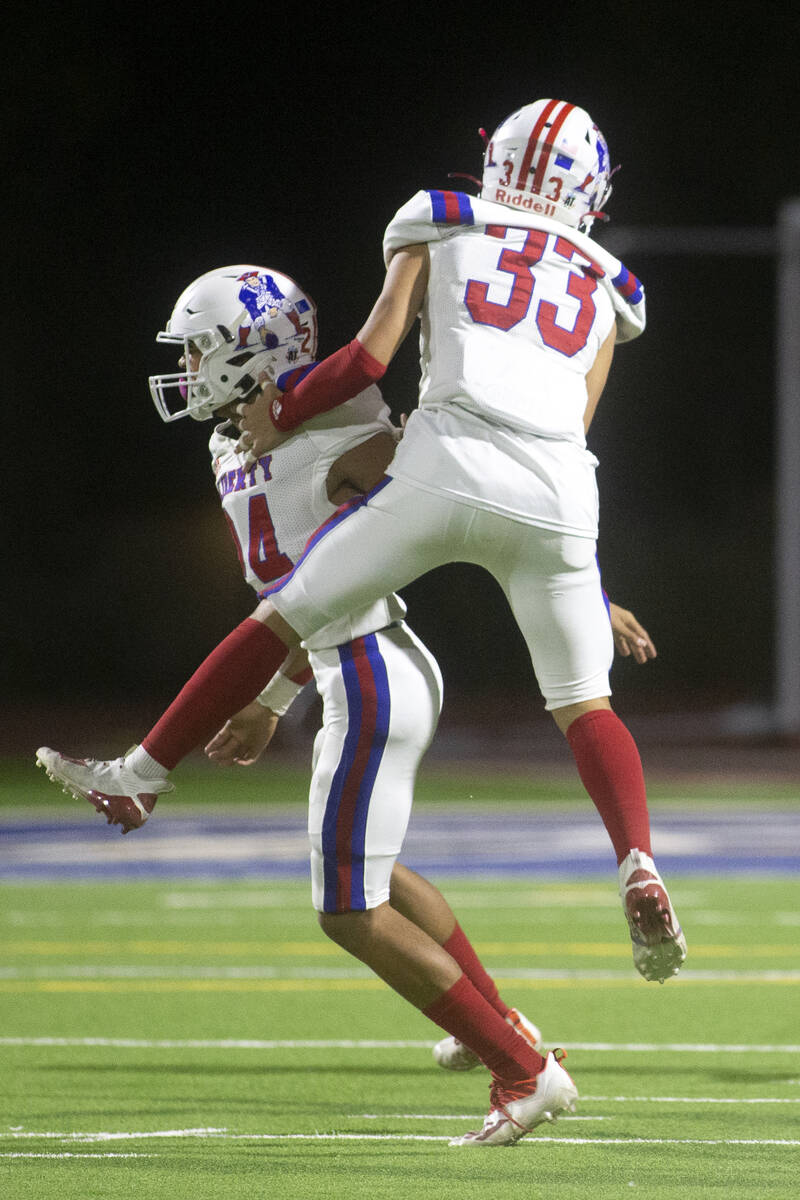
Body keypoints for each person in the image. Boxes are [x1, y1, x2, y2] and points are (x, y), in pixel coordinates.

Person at [37, 99, 684, 1145]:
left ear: (251, 355)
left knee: (346, 906)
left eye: (204, 352)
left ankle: (519, 1061)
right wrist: (281, 696)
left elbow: (379, 453)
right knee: (387, 862)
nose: (190, 371)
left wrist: (296, 417)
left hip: (375, 658)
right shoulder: (600, 279)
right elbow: (553, 440)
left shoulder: (358, 364)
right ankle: (543, 984)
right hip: (460, 573)